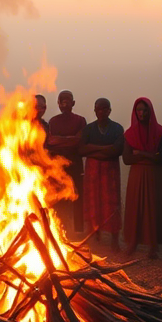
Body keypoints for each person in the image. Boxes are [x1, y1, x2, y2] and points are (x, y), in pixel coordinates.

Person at [122, 97, 162, 258]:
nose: (141, 113)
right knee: (134, 207)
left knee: (153, 207)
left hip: (154, 175)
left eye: (145, 110)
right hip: (136, 174)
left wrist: (141, 153)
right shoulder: (130, 133)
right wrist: (151, 155)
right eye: (139, 110)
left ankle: (153, 246)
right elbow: (127, 159)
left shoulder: (160, 132)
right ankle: (133, 242)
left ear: (151, 111)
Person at [79, 98, 125, 250]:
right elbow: (82, 150)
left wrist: (93, 149)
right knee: (93, 200)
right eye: (99, 109)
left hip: (110, 170)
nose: (102, 111)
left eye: (105, 109)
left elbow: (117, 150)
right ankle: (95, 234)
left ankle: (114, 239)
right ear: (95, 110)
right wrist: (105, 148)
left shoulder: (117, 128)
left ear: (110, 110)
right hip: (92, 171)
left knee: (111, 203)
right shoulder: (89, 129)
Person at [47, 90, 86, 236]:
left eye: (67, 101)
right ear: (57, 104)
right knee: (58, 198)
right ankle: (59, 228)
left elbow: (79, 140)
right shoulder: (53, 121)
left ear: (73, 103)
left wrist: (60, 140)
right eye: (61, 101)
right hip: (57, 166)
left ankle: (78, 230)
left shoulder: (80, 120)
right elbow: (51, 141)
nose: (64, 104)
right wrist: (71, 139)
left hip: (75, 164)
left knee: (78, 197)